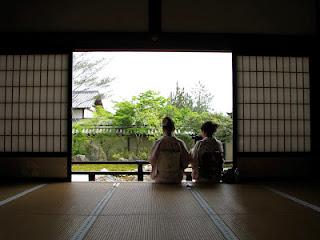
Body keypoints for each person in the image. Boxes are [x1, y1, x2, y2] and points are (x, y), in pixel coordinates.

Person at [148, 117, 190, 183]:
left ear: (163, 129)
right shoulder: (180, 143)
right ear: (173, 129)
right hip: (176, 179)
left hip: (160, 178)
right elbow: (186, 162)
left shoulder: (158, 143)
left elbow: (151, 160)